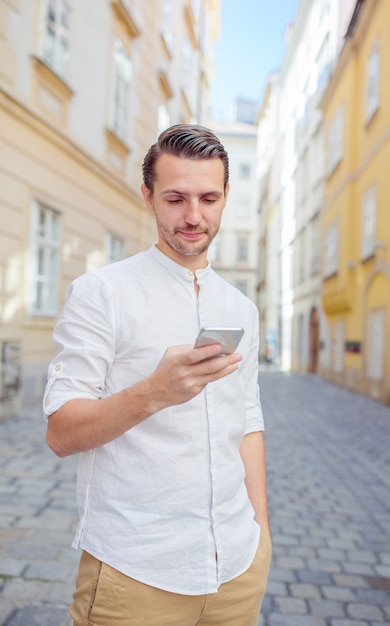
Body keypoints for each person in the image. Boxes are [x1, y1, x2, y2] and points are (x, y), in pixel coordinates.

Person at [44, 124, 271, 626]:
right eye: (175, 198)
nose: (194, 216)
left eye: (209, 197)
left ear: (227, 196)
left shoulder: (241, 308)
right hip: (137, 572)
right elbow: (60, 432)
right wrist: (153, 393)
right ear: (147, 197)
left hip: (236, 570)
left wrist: (262, 534)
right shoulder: (101, 293)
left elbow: (247, 421)